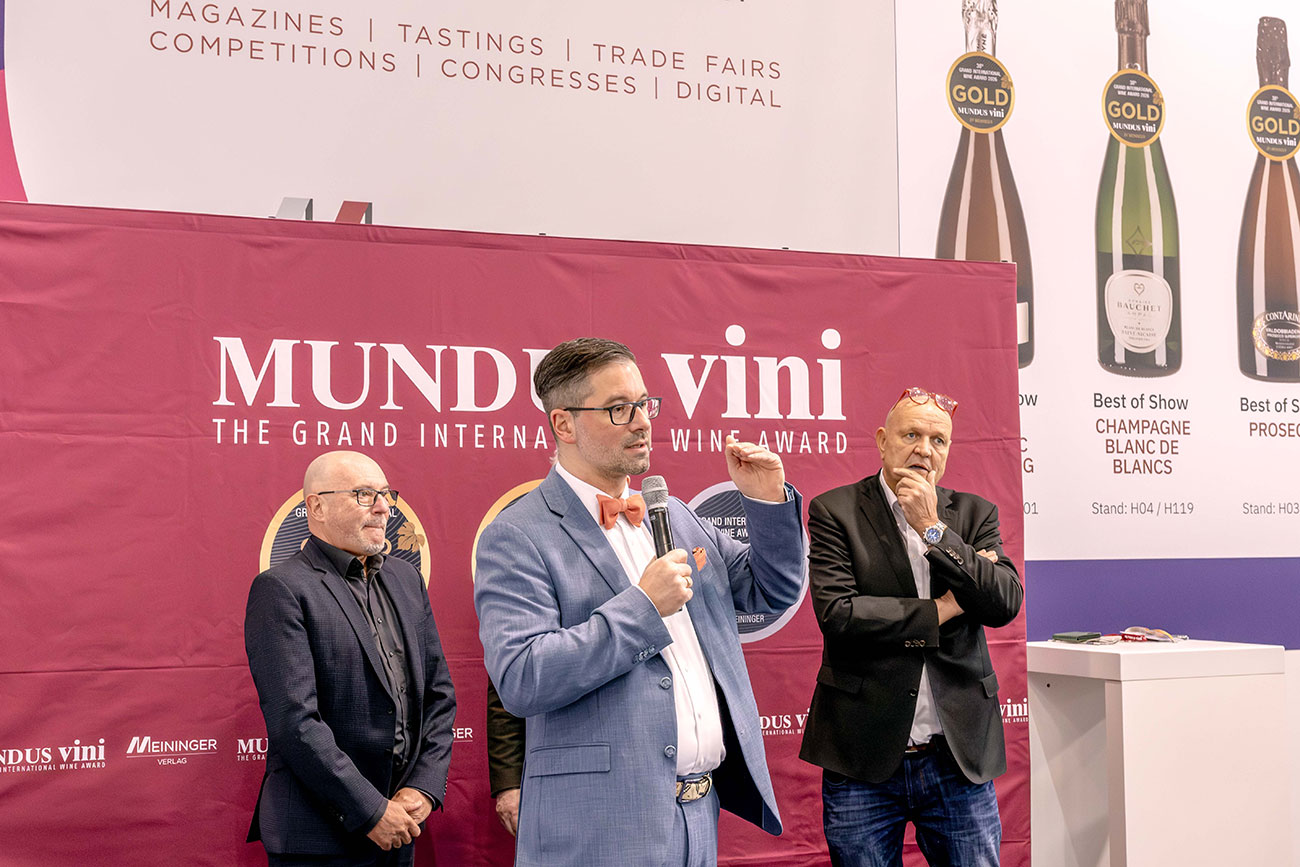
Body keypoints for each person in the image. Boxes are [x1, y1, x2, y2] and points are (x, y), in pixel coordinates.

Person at [473, 337, 806, 867]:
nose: (642, 421)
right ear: (563, 425)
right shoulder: (517, 535)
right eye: (618, 408)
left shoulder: (677, 515)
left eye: (644, 404)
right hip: (599, 829)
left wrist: (765, 501)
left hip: (700, 816)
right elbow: (523, 676)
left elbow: (773, 591)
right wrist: (643, 607)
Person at [799, 387, 1023, 867]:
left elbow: (1003, 601)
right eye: (912, 435)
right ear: (883, 440)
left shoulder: (974, 514)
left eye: (938, 440)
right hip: (862, 757)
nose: (925, 449)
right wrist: (943, 608)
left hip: (957, 757)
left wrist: (932, 529)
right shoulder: (835, 510)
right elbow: (840, 614)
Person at [244, 450, 457, 866]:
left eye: (385, 494)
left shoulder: (406, 579)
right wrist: (372, 811)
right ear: (317, 506)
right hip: (320, 839)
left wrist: (423, 787)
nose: (383, 508)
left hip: (402, 826)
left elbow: (439, 695)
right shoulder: (282, 589)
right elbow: (295, 722)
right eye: (363, 494)